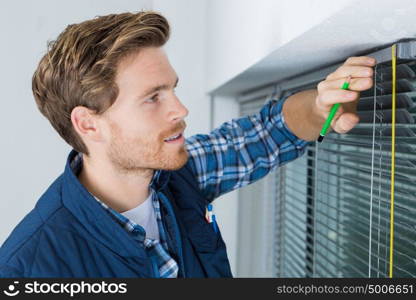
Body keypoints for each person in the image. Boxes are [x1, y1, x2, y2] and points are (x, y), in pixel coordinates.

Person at [0, 11, 375, 278]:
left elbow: (271, 131)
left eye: (172, 89)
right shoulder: (28, 267)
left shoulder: (181, 170)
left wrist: (321, 103)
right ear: (87, 123)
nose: (180, 109)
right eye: (153, 98)